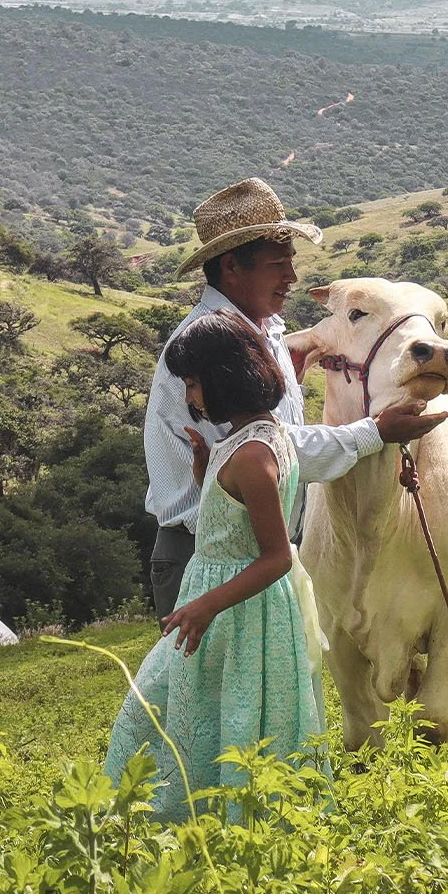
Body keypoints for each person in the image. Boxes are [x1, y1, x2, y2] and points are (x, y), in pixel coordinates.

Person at [145, 177, 448, 618]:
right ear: (231, 266)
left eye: (291, 261)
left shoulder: (265, 331)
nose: (292, 277)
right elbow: (269, 453)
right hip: (208, 561)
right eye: (277, 264)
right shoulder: (211, 350)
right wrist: (376, 432)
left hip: (255, 554)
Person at [103, 311, 327, 821]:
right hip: (226, 604)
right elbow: (230, 520)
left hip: (236, 608)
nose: (189, 396)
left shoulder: (253, 455)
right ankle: (204, 813)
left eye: (193, 382)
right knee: (207, 707)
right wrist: (208, 471)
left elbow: (273, 556)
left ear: (222, 378)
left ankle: (195, 817)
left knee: (199, 709)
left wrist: (206, 604)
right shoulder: (255, 439)